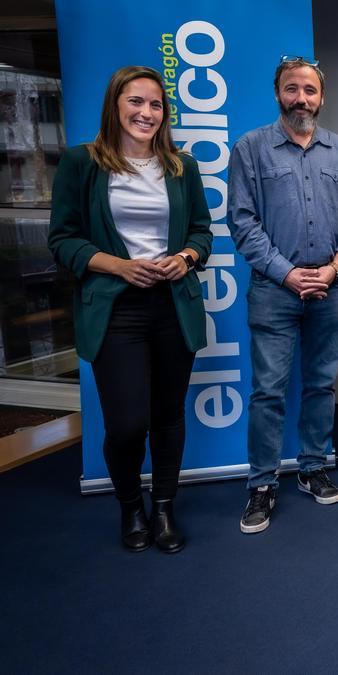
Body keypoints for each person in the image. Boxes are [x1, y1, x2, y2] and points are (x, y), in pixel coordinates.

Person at [48, 65, 212, 553]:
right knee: (126, 424)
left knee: (167, 416)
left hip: (172, 305)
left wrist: (185, 258)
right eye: (136, 102)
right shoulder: (82, 163)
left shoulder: (183, 167)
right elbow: (62, 240)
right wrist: (119, 266)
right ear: (115, 106)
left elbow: (201, 233)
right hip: (115, 310)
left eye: (156, 104)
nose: (146, 112)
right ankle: (129, 508)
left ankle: (162, 508)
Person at [229, 56, 338, 533]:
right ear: (278, 93)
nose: (301, 99)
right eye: (292, 89)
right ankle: (262, 484)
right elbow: (242, 222)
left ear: (322, 97)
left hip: (332, 289)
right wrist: (288, 273)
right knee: (268, 391)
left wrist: (332, 268)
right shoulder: (250, 149)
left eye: (310, 91)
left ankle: (312, 467)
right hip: (274, 290)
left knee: (320, 385)